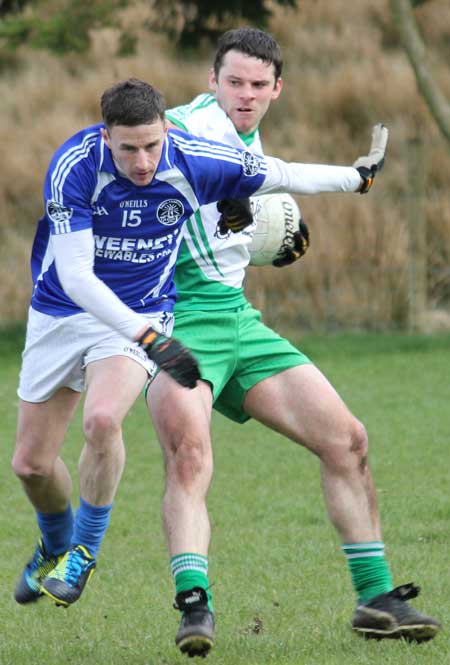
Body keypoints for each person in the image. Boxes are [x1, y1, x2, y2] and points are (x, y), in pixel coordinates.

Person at [12, 76, 378, 618]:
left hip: (137, 315)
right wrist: (152, 339)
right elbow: (77, 276)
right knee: (31, 466)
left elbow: (280, 173)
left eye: (153, 145)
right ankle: (56, 541)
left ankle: (85, 551)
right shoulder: (75, 166)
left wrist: (355, 179)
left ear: (165, 130)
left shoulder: (194, 159)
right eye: (128, 148)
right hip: (64, 313)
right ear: (104, 135)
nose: (142, 162)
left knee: (103, 420)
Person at [145, 28, 440, 658]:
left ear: (277, 87)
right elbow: (148, 149)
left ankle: (375, 597)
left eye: (258, 85)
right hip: (172, 322)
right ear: (211, 80)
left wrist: (266, 233)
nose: (245, 96)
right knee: (189, 456)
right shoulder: (185, 125)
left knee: (348, 440)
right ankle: (195, 604)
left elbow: (264, 181)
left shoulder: (248, 137)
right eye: (233, 83)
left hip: (237, 319)